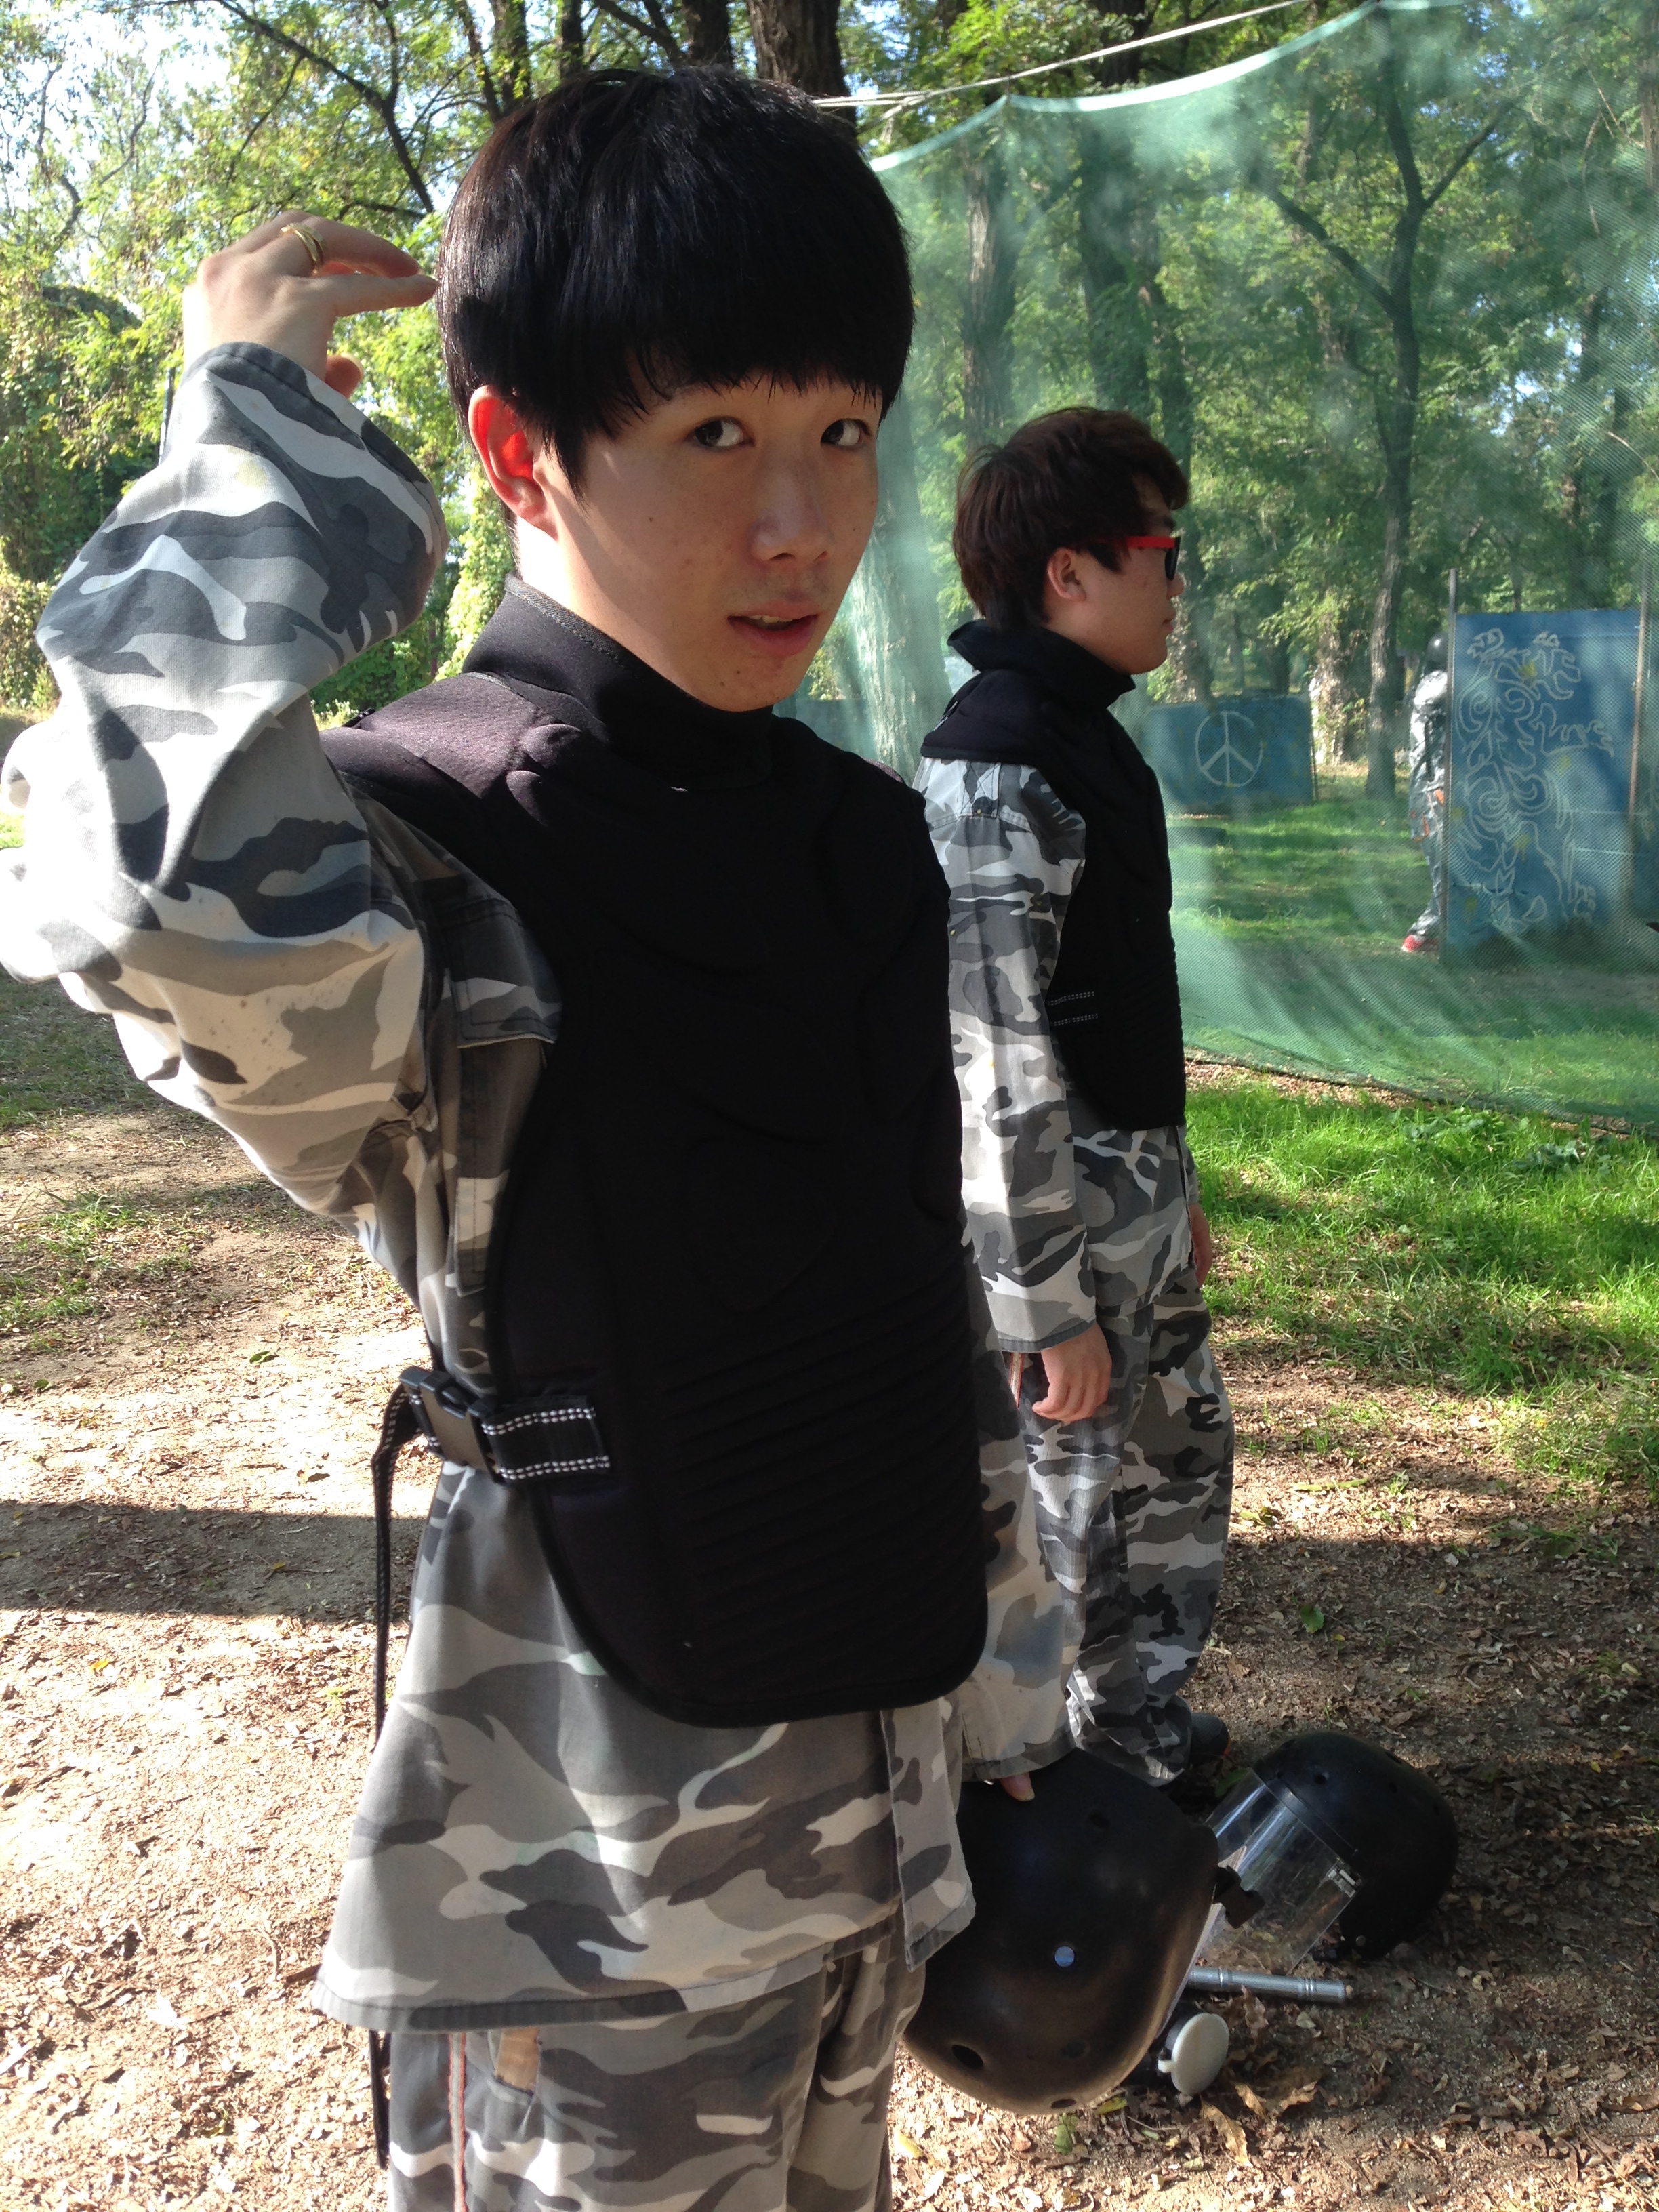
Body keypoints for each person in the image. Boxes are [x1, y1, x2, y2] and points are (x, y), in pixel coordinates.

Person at [0, 73, 1071, 2211]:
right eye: (715, 435)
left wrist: (1015, 1708)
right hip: (586, 1899)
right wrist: (254, 444)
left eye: (844, 430)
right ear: (517, 453)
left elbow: (895, 1300)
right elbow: (139, 884)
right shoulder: (423, 853)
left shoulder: (856, 837)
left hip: (870, 1819)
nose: (802, 523)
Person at [914, 407, 1233, 1793]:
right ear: (1068, 573)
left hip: (1130, 1199)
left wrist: (1173, 1185)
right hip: (1062, 1227)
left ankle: (1139, 1735)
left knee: (1173, 1468)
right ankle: (1051, 1787)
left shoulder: (1083, 738)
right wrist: (1040, 1303)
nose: (1177, 579)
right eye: (1160, 549)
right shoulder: (999, 768)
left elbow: (1112, 1005)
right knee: (1074, 1510)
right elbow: (989, 1052)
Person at [1402, 632, 1450, 954]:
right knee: (1446, 872)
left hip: (1430, 791)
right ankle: (1419, 935)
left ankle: (1435, 934)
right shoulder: (1439, 685)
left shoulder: (1427, 683)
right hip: (1433, 793)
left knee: (1446, 869)